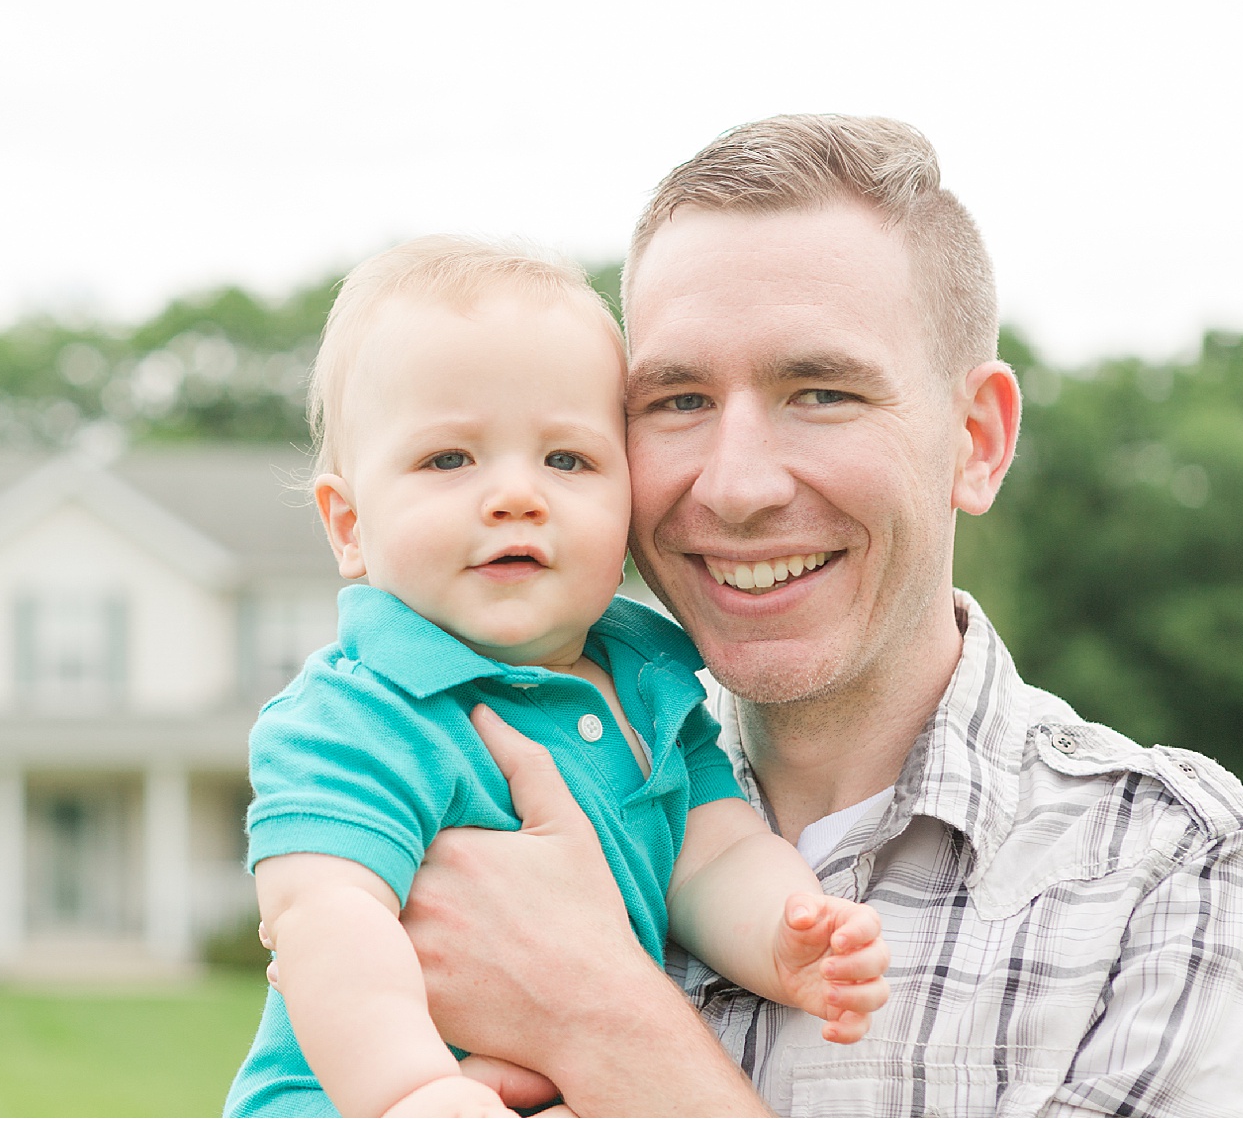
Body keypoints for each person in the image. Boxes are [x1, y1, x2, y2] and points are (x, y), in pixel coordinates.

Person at [396, 115, 1243, 1116]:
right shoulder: (479, 819)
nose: (735, 486)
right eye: (678, 400)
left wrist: (599, 1019)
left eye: (819, 392)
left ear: (976, 440)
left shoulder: (1171, 871)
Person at [224, 237, 890, 1117]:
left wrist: (787, 933)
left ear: (629, 507)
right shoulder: (357, 710)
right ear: (349, 524)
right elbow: (327, 920)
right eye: (449, 460)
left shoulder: (650, 682)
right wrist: (415, 1094)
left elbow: (713, 855)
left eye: (567, 460)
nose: (515, 497)